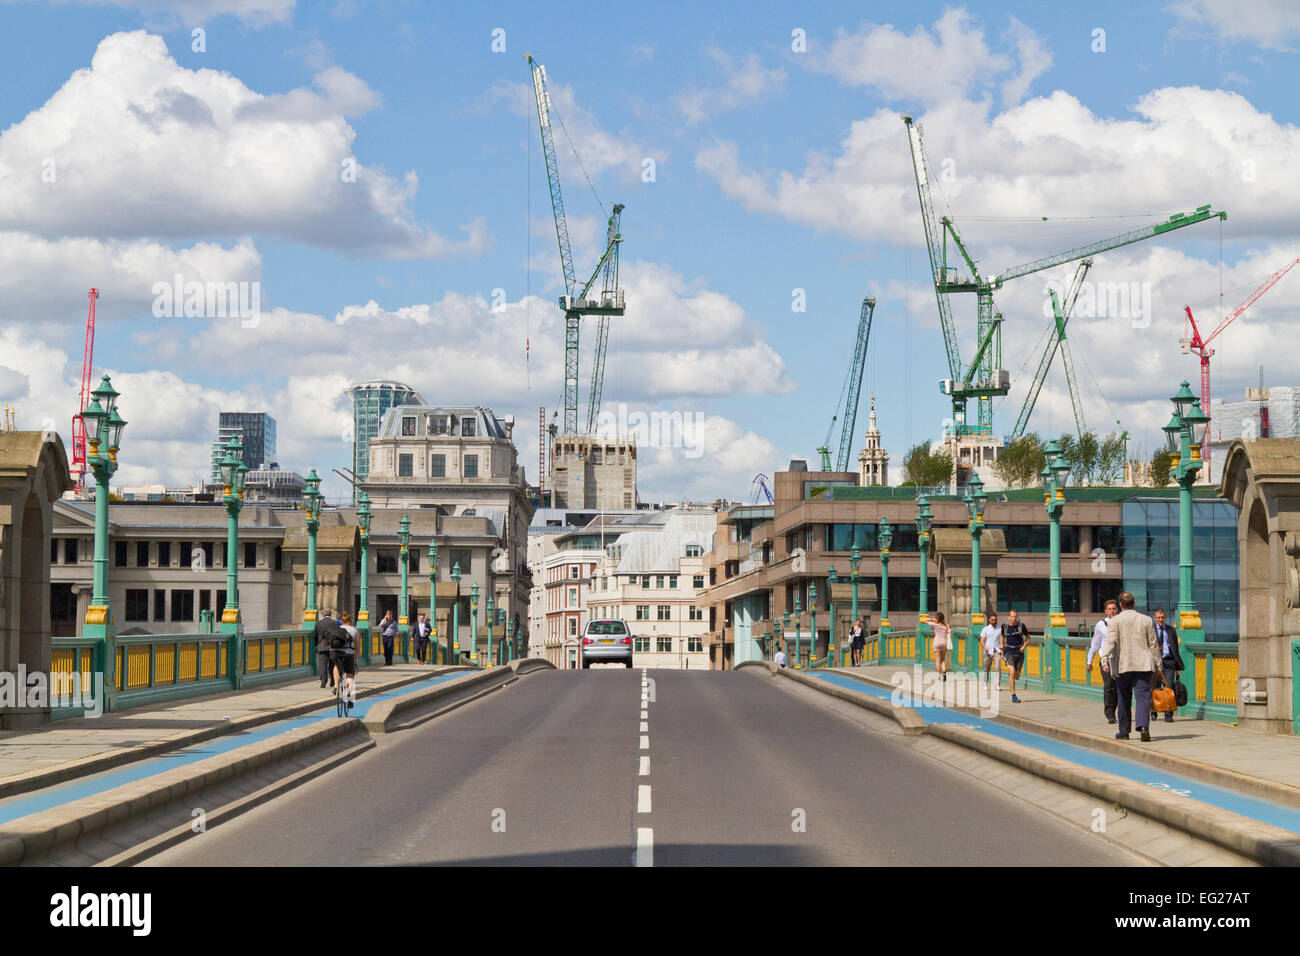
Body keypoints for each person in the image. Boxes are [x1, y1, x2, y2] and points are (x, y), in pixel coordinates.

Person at [1099, 591, 1161, 741]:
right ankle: (1143, 727)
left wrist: (1104, 659)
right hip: (1143, 664)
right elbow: (1153, 644)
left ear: (1120, 605)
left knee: (1123, 697)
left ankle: (1124, 731)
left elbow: (1110, 642)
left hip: (1122, 664)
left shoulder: (1114, 621)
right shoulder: (1146, 620)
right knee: (1143, 696)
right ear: (1133, 604)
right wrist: (1158, 663)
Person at [1087, 599, 1121, 723]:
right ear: (1106, 611)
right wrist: (1089, 660)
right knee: (1109, 686)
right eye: (1110, 609)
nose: (1112, 611)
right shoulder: (1101, 625)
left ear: (1117, 609)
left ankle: (1116, 709)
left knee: (1119, 687)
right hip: (1106, 660)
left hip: (1120, 661)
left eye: (1114, 608)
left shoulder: (1121, 622)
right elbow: (1095, 643)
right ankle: (1109, 713)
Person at [1151, 608, 1185, 723]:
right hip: (1154, 663)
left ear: (1165, 618)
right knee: (1154, 687)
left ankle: (1168, 714)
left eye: (1162, 617)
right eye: (1158, 618)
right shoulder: (1150, 629)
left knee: (1169, 688)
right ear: (1155, 618)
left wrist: (1177, 667)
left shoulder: (1171, 630)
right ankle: (1154, 710)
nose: (1160, 620)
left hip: (1168, 662)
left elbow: (1175, 649)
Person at [1000, 608, 1031, 704]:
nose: (1014, 618)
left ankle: (1012, 674)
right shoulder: (1004, 626)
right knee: (1012, 672)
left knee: (1016, 676)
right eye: (1012, 616)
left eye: (1015, 616)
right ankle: (1014, 696)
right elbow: (1002, 636)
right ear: (1009, 617)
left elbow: (1028, 637)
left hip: (1019, 653)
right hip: (1008, 652)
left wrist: (1024, 646)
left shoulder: (1021, 626)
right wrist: (1002, 644)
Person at [333, 612, 359, 711]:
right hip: (348, 654)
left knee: (336, 666)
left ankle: (335, 685)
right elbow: (357, 649)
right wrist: (354, 661)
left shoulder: (336, 629)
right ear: (350, 621)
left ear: (341, 621)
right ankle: (347, 696)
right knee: (350, 674)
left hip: (335, 653)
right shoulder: (354, 631)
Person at [313, 608, 344, 690]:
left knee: (322, 664)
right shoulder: (335, 623)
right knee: (332, 664)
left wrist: (316, 645)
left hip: (322, 646)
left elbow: (315, 635)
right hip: (332, 646)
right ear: (330, 614)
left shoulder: (318, 623)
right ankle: (332, 681)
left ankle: (323, 681)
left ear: (323, 614)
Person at [979, 611, 1002, 689]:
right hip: (988, 651)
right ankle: (985, 683)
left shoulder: (999, 629)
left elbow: (1001, 638)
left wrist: (1002, 644)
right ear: (989, 620)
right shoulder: (985, 629)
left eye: (995, 620)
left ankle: (997, 685)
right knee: (986, 668)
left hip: (997, 651)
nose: (994, 621)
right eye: (992, 620)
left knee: (998, 667)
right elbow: (982, 640)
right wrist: (984, 647)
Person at [931, 611, 951, 682]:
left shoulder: (935, 625)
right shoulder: (946, 625)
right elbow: (949, 634)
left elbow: (924, 621)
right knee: (942, 660)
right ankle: (944, 672)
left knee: (937, 660)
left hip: (937, 643)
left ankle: (939, 677)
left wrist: (932, 620)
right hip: (944, 643)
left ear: (937, 618)